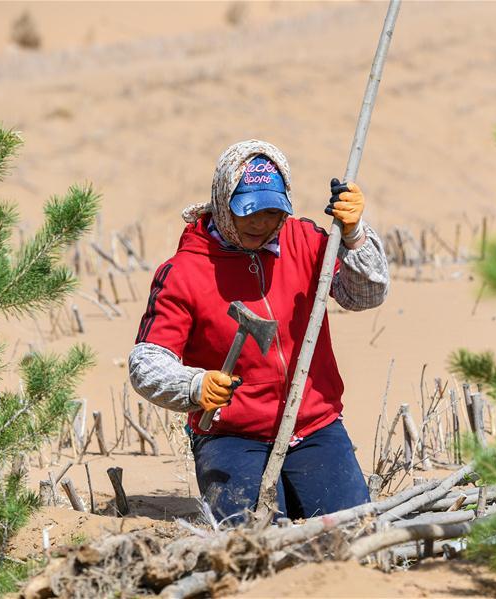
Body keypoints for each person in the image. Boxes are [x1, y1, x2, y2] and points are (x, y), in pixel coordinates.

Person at [128, 139, 389, 524]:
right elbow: (146, 362)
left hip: (314, 426)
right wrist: (194, 386)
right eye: (248, 210)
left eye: (272, 211)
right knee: (251, 539)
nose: (261, 223)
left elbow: (366, 295)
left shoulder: (307, 241)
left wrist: (354, 236)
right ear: (222, 202)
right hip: (231, 437)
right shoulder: (184, 273)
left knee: (354, 530)